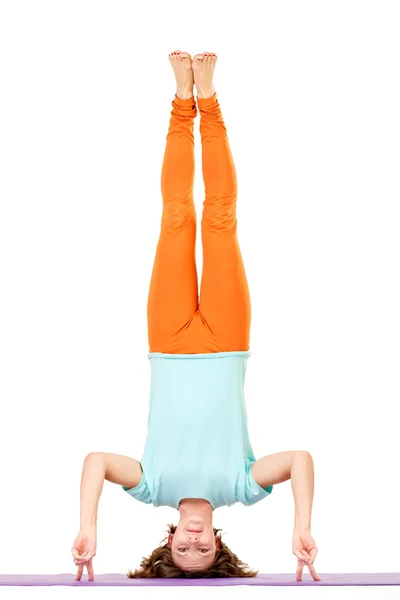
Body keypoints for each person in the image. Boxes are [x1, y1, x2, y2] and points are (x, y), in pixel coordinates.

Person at [71, 51, 320, 582]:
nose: (191, 543)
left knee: (176, 216)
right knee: (221, 219)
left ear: (168, 538)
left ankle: (183, 105)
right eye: (201, 552)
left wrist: (88, 525)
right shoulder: (242, 487)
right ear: (216, 541)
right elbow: (299, 458)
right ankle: (209, 97)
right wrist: (302, 525)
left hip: (167, 339)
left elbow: (95, 460)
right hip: (228, 340)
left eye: (181, 552)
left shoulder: (150, 486)